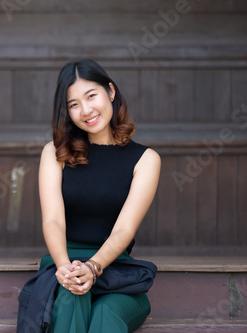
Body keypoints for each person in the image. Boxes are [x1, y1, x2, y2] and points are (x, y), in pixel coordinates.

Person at [17, 59, 160, 333]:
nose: (85, 110)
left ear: (111, 92)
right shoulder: (55, 152)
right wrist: (64, 268)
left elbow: (124, 230)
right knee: (72, 295)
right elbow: (53, 220)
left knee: (106, 316)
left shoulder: (145, 159)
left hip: (117, 273)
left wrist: (94, 267)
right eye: (73, 104)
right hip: (64, 267)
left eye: (91, 96)